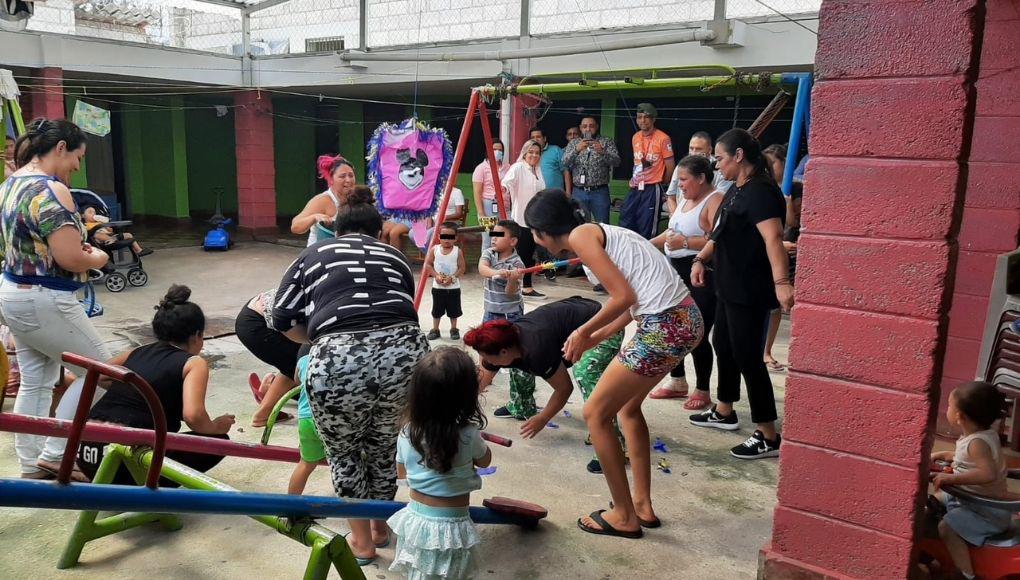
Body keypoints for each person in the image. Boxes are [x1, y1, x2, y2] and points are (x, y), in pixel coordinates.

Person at [524, 189, 704, 538]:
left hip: (664, 325)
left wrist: (581, 331)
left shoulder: (581, 236)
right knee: (628, 409)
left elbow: (624, 297)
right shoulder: (603, 231)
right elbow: (632, 303)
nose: (534, 238)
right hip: (684, 318)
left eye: (532, 232)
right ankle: (642, 506)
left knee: (595, 413)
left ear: (543, 232)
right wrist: (595, 336)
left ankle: (623, 515)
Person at [273, 193, 430, 565]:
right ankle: (379, 525)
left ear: (333, 229)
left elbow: (280, 317)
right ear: (378, 231)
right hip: (405, 355)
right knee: (382, 447)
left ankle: (362, 543)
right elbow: (404, 307)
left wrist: (318, 338)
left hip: (339, 359)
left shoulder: (312, 255)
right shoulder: (394, 256)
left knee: (344, 453)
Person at [0, 118, 111, 481]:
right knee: (102, 374)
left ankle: (32, 463)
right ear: (60, 148)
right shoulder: (50, 189)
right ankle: (56, 452)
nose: (77, 168)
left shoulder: (11, 182)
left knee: (37, 381)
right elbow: (71, 258)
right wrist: (99, 257)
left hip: (13, 294)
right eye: (77, 158)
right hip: (45, 299)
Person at [689, 128, 792, 460]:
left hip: (750, 287)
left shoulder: (761, 192)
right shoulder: (736, 189)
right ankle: (724, 410)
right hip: (728, 284)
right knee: (724, 345)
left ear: (738, 156)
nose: (717, 166)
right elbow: (720, 233)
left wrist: (782, 283)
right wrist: (701, 258)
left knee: (749, 356)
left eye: (719, 158)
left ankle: (767, 433)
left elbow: (773, 240)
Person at [78, 285, 235, 484]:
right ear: (197, 335)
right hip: (125, 466)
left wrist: (139, 392)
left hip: (88, 457)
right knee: (218, 442)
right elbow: (193, 416)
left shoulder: (137, 352)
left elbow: (101, 376)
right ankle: (148, 495)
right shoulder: (193, 363)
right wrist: (216, 426)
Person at [464, 296, 626, 473]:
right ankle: (521, 407)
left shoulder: (536, 350)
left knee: (586, 373)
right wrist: (459, 411)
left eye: (486, 358)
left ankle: (610, 442)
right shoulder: (504, 344)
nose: (485, 361)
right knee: (518, 367)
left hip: (603, 324)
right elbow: (482, 381)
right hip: (570, 319)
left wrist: (543, 418)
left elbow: (564, 389)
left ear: (503, 352)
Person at [387, 347, 489, 578]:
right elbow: (485, 461)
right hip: (452, 525)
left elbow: (401, 473)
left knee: (420, 573)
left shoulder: (407, 432)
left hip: (414, 521)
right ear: (467, 395)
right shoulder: (468, 434)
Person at [649, 155, 723, 411]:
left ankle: (702, 388)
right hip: (676, 271)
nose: (679, 184)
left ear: (701, 178)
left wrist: (688, 244)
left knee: (697, 331)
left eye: (683, 179)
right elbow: (671, 234)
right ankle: (677, 381)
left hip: (701, 271)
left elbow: (719, 238)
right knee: (673, 327)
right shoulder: (684, 199)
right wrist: (645, 245)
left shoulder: (714, 200)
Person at [930, 381, 1009, 580]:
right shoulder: (981, 435)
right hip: (973, 501)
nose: (947, 409)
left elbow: (987, 474)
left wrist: (952, 478)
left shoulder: (977, 444)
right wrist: (943, 454)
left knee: (946, 528)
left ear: (959, 416)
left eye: (949, 405)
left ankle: (965, 574)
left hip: (986, 511)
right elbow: (966, 458)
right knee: (937, 497)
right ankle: (943, 516)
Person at [235, 287, 300, 427]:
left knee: (300, 366)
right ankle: (262, 415)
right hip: (258, 323)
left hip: (258, 316)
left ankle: (270, 387)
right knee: (298, 363)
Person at [620, 103, 675, 239]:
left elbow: (671, 166)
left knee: (647, 226)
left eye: (646, 117)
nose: (642, 121)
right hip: (635, 187)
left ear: (653, 119)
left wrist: (662, 184)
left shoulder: (663, 138)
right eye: (639, 117)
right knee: (626, 220)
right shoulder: (635, 137)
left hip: (652, 187)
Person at [761, 144, 793, 372]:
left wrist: (789, 202)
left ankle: (767, 350)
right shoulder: (760, 190)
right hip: (765, 251)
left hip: (786, 253)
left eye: (773, 164)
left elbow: (791, 223)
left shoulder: (792, 189)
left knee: (774, 306)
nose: (770, 169)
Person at [501, 140, 546, 298]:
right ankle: (522, 286)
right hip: (521, 219)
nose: (534, 155)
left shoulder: (538, 170)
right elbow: (506, 183)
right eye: (531, 152)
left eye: (537, 152)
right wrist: (503, 189)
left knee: (530, 254)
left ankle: (525, 286)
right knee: (523, 255)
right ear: (525, 153)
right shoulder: (518, 167)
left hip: (536, 220)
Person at [562, 116, 621, 224]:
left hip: (599, 192)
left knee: (602, 225)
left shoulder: (606, 141)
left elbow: (617, 162)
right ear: (580, 128)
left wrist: (603, 152)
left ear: (596, 127)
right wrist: (576, 150)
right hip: (579, 192)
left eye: (591, 126)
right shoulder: (574, 143)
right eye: (585, 126)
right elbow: (564, 162)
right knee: (579, 224)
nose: (588, 129)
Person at [291, 156, 356, 246]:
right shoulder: (322, 200)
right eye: (342, 176)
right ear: (331, 179)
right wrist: (314, 217)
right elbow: (295, 227)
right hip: (319, 254)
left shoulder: (356, 198)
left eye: (351, 175)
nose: (348, 180)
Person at [287, 347, 325, 495]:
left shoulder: (303, 359)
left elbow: (297, 380)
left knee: (306, 464)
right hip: (329, 417)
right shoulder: (335, 354)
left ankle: (291, 508)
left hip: (306, 418)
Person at [424, 222, 466, 341]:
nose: (447, 240)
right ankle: (435, 329)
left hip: (453, 288)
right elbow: (428, 264)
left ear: (456, 238)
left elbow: (462, 268)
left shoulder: (457, 251)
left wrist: (452, 278)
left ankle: (453, 329)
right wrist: (436, 276)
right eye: (444, 236)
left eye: (450, 237)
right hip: (438, 288)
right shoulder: (434, 249)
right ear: (438, 237)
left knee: (454, 310)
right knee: (436, 310)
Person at [478, 220, 524, 323]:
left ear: (512, 241)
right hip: (490, 310)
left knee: (509, 339)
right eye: (493, 234)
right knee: (487, 338)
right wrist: (497, 273)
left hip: (510, 313)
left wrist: (512, 280)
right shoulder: (489, 253)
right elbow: (482, 268)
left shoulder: (517, 264)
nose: (494, 238)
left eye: (498, 235)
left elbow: (510, 293)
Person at [471, 140, 509, 250]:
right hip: (487, 206)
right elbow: (477, 192)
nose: (497, 152)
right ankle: (485, 265)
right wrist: (481, 213)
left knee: (501, 237)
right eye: (494, 149)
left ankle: (498, 263)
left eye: (500, 150)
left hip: (504, 207)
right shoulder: (481, 168)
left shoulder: (507, 167)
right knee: (488, 238)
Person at [82, 205, 152, 257]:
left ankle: (138, 250)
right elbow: (88, 233)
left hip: (112, 237)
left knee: (128, 235)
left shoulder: (99, 222)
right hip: (99, 241)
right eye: (90, 212)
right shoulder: (85, 225)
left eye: (94, 212)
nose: (93, 214)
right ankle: (110, 240)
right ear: (83, 216)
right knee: (97, 234)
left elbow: (110, 230)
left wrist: (106, 225)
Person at [530, 127, 568, 193]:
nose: (535, 140)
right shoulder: (528, 154)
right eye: (532, 137)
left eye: (538, 137)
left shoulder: (556, 150)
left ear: (544, 138)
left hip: (555, 195)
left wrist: (568, 192)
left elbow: (566, 171)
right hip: (537, 196)